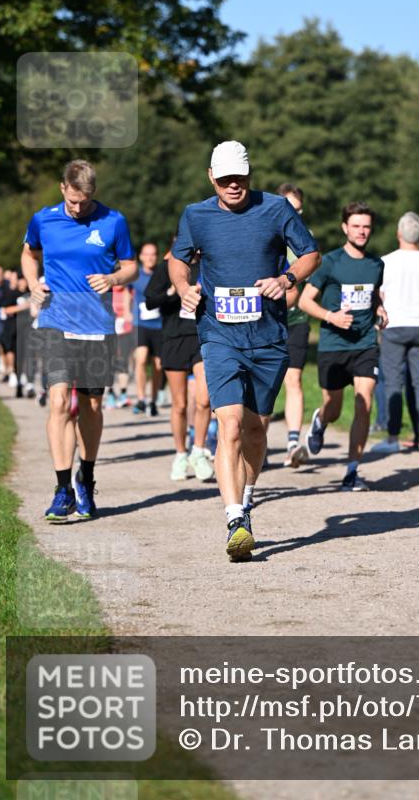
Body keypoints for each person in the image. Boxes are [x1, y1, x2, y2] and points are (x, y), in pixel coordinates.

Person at [169, 141, 319, 561]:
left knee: (255, 430)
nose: (233, 185)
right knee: (230, 424)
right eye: (225, 179)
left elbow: (311, 254)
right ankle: (234, 519)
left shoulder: (275, 209)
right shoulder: (196, 215)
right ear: (211, 178)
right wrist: (184, 287)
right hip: (218, 335)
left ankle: (247, 498)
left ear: (250, 175)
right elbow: (178, 260)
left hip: (268, 337)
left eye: (240, 177)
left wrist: (286, 279)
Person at [21, 159, 137, 522]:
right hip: (55, 319)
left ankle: (85, 478)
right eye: (72, 201)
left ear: (93, 194)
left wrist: (115, 279)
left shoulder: (113, 221)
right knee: (58, 402)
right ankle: (62, 489)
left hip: (96, 324)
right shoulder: (44, 219)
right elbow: (29, 253)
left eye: (84, 202)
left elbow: (130, 265)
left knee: (91, 407)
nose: (77, 208)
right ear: (62, 189)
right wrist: (32, 283)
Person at [299, 202, 387, 490]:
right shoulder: (330, 262)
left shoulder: (377, 264)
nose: (362, 232)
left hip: (364, 343)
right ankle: (321, 421)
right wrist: (331, 317)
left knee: (365, 401)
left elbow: (374, 296)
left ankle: (351, 471)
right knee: (334, 407)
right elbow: (305, 300)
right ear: (345, 228)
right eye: (357, 226)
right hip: (333, 345)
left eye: (366, 227)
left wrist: (380, 311)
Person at [372, 212, 419, 454]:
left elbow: (378, 293)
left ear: (398, 233)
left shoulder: (386, 261)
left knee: (393, 382)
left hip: (394, 325)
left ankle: (392, 436)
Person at [145, 242, 214, 482]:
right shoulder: (166, 268)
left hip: (201, 337)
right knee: (180, 405)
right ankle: (180, 454)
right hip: (173, 338)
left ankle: (198, 451)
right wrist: (173, 293)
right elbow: (150, 301)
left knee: (204, 400)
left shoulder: (208, 265)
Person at [276, 182, 311, 469]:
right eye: (290, 208)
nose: (295, 214)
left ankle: (292, 443)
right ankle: (256, 445)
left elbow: (301, 288)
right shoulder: (262, 230)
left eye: (299, 210)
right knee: (260, 384)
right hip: (263, 321)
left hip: (296, 320)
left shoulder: (305, 238)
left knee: (294, 380)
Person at [131, 243, 163, 416]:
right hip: (141, 323)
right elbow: (122, 291)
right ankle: (141, 399)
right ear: (141, 256)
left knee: (158, 365)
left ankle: (153, 400)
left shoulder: (162, 273)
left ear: (156, 256)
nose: (150, 257)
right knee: (141, 359)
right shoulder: (135, 274)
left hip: (160, 324)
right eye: (146, 254)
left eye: (153, 254)